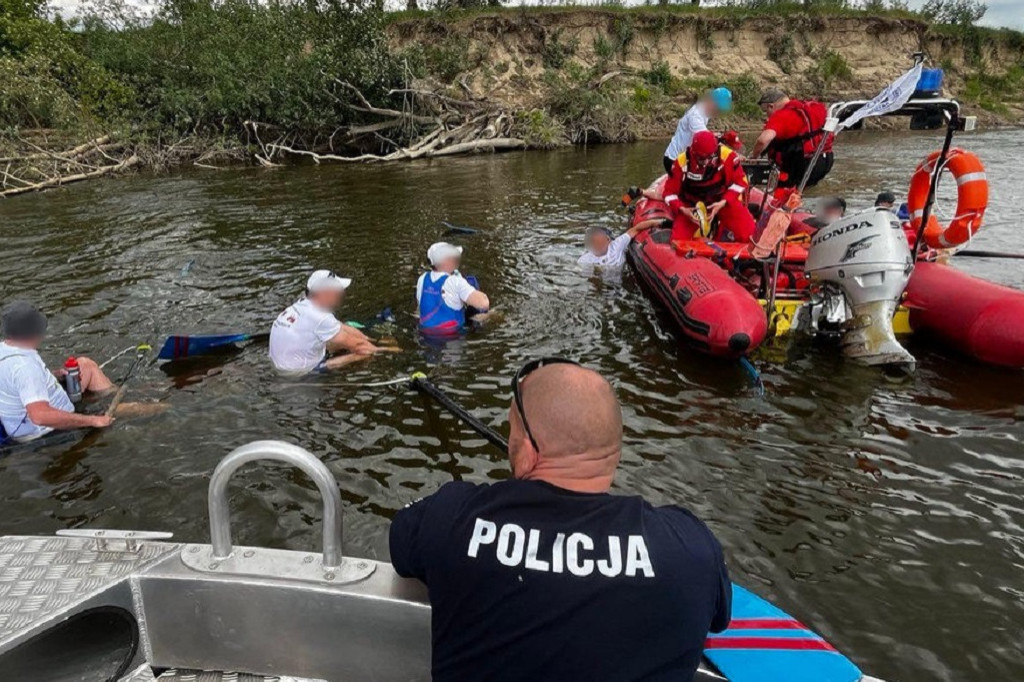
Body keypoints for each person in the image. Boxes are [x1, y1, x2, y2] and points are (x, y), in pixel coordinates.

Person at [390, 359, 731, 682]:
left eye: (511, 433)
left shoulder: (452, 516)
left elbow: (402, 543)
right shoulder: (691, 548)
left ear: (526, 452)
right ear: (614, 449)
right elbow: (720, 617)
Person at [0, 302, 114, 442]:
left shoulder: (5, 350)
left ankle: (110, 395)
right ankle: (135, 405)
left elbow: (15, 383)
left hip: (22, 419)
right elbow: (40, 416)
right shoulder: (25, 367)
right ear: (36, 332)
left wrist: (54, 376)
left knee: (85, 365)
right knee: (123, 410)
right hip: (46, 431)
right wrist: (92, 420)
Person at [269, 270, 393, 374]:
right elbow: (360, 347)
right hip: (299, 373)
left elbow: (342, 327)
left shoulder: (302, 306)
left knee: (346, 333)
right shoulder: (321, 318)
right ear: (325, 294)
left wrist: (371, 340)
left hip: (281, 364)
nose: (342, 294)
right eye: (338, 291)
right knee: (365, 353)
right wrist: (386, 350)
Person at [663, 130, 756, 243]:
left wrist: (723, 203)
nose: (706, 162)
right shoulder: (682, 162)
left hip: (722, 201)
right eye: (702, 159)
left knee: (749, 233)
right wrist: (682, 209)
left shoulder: (727, 156)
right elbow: (669, 193)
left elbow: (740, 182)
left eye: (710, 157)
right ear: (693, 152)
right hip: (693, 206)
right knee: (679, 242)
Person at [750, 89, 834, 193]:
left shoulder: (782, 116)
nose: (767, 116)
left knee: (785, 194)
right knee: (807, 191)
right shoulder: (814, 107)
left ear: (771, 106)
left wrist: (754, 157)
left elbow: (763, 140)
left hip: (803, 165)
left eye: (765, 111)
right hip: (825, 160)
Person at [417, 242, 490, 334]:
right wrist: (471, 288)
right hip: (452, 338)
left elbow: (421, 307)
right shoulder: (456, 281)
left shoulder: (422, 279)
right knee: (495, 314)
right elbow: (483, 303)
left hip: (425, 335)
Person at [663, 87, 733, 175]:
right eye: (718, 108)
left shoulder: (704, 111)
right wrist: (732, 154)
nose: (718, 112)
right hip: (674, 160)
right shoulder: (695, 116)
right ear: (711, 101)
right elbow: (706, 140)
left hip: (687, 159)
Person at [577, 222, 653, 268]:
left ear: (608, 240)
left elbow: (635, 229)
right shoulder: (584, 260)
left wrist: (660, 222)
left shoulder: (617, 245)